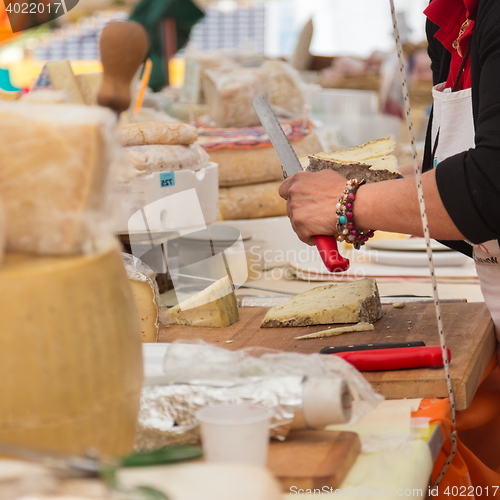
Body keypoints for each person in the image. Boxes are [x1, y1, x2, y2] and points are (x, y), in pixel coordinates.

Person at [279, 0, 500, 484]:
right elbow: (457, 191)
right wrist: (371, 193)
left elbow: (491, 186)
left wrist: (350, 203)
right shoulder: (449, 18)